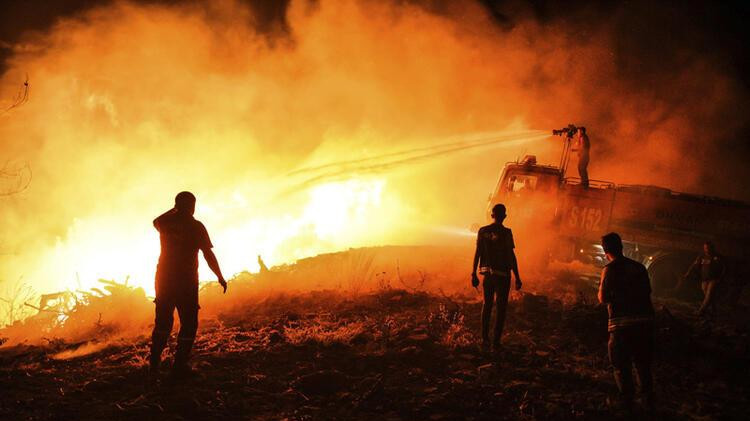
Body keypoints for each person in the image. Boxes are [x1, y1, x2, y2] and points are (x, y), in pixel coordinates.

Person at [149, 191, 227, 380]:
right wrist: (219, 276)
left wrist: (176, 208)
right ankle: (179, 366)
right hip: (186, 281)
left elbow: (155, 220)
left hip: (164, 279)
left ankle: (153, 364)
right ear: (192, 206)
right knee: (189, 323)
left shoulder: (166, 223)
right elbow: (208, 254)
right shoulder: (196, 227)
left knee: (163, 323)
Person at [598, 232, 655, 413]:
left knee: (621, 366)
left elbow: (603, 297)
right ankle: (648, 401)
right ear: (621, 246)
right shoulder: (639, 268)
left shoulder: (609, 270)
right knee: (642, 364)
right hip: (645, 324)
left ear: (606, 250)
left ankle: (627, 402)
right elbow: (648, 291)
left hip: (621, 326)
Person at [471, 203, 522, 350]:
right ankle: (496, 342)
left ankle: (485, 339)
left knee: (487, 305)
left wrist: (473, 273)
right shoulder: (507, 233)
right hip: (503, 276)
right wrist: (517, 277)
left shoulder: (483, 231)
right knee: (501, 309)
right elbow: (511, 256)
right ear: (504, 216)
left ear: (492, 215)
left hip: (488, 276)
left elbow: (478, 252)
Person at [683, 241, 726, 319]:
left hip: (713, 279)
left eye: (708, 248)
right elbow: (694, 265)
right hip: (704, 279)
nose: (707, 249)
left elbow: (724, 268)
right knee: (708, 296)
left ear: (712, 248)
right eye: (705, 248)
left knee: (709, 295)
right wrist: (688, 273)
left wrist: (721, 278)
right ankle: (714, 311)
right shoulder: (702, 256)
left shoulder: (717, 257)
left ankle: (700, 311)